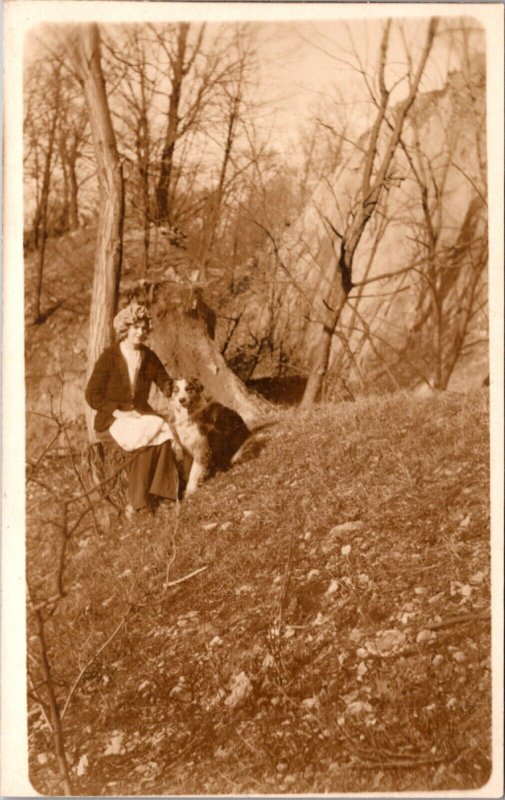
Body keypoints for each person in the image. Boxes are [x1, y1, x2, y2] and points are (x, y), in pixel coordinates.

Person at [85, 303, 179, 518]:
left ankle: (162, 495)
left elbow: (164, 382)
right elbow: (92, 394)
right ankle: (138, 504)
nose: (140, 332)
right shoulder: (109, 357)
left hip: (139, 414)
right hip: (112, 418)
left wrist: (176, 391)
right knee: (142, 442)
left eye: (144, 328)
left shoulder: (148, 356)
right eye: (136, 327)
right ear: (125, 328)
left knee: (164, 433)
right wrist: (119, 412)